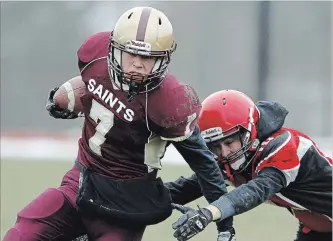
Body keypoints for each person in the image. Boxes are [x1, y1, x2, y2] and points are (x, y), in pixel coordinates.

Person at [3, 7, 235, 241]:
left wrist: (225, 224)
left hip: (125, 207)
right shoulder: (95, 58)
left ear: (162, 59)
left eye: (146, 57)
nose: (136, 63)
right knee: (24, 231)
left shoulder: (170, 103)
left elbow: (203, 163)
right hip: (81, 181)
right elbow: (84, 92)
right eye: (130, 53)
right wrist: (60, 101)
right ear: (114, 48)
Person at [168, 89, 332, 241]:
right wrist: (144, 193)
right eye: (216, 146)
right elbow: (186, 188)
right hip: (318, 227)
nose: (224, 153)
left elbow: (256, 190)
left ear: (249, 131)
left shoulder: (284, 145)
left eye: (229, 142)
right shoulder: (235, 157)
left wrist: (208, 213)